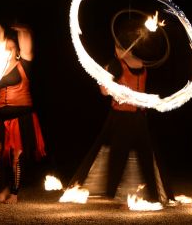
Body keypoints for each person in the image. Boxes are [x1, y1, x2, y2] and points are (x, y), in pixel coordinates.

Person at [67, 12, 174, 204]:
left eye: (118, 46)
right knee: (119, 154)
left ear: (126, 49)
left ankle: (148, 195)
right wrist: (107, 78)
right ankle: (114, 193)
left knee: (143, 155)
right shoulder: (122, 65)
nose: (115, 49)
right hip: (123, 117)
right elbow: (106, 91)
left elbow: (104, 92)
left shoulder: (127, 65)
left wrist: (107, 78)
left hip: (135, 118)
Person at [0, 22, 46, 204]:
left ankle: (14, 192)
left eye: (11, 47)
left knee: (15, 156)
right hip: (0, 119)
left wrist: (24, 31)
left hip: (20, 118)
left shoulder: (24, 66)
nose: (8, 50)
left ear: (17, 51)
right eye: (5, 47)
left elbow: (27, 47)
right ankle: (4, 187)